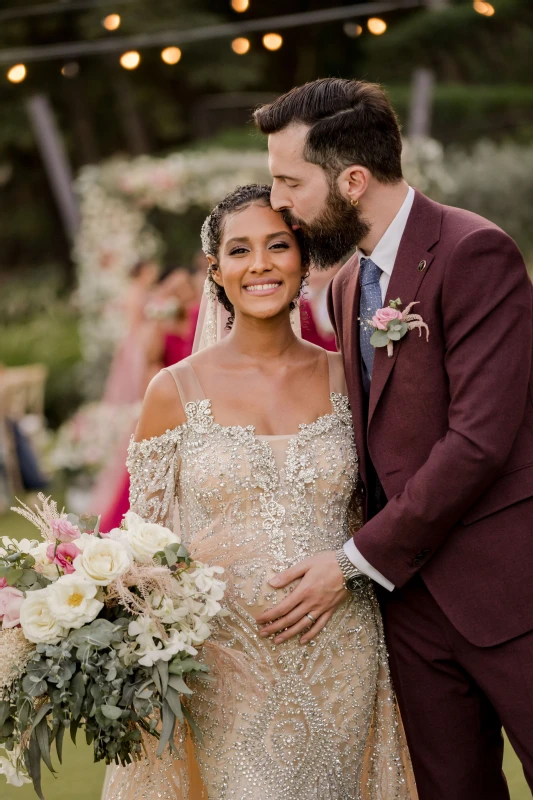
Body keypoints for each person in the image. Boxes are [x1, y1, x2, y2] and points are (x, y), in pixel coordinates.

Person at [252, 77, 533, 800]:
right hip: (407, 607)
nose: (278, 201)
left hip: (508, 594)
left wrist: (351, 559)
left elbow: (478, 442)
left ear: (351, 179)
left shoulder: (475, 252)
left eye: (289, 182)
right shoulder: (346, 286)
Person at [101, 185, 415, 800]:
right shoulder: (174, 391)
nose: (261, 264)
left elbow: (382, 507)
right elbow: (146, 541)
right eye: (240, 251)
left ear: (303, 258)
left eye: (278, 246)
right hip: (226, 664)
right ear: (216, 271)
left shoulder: (348, 376)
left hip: (341, 649)